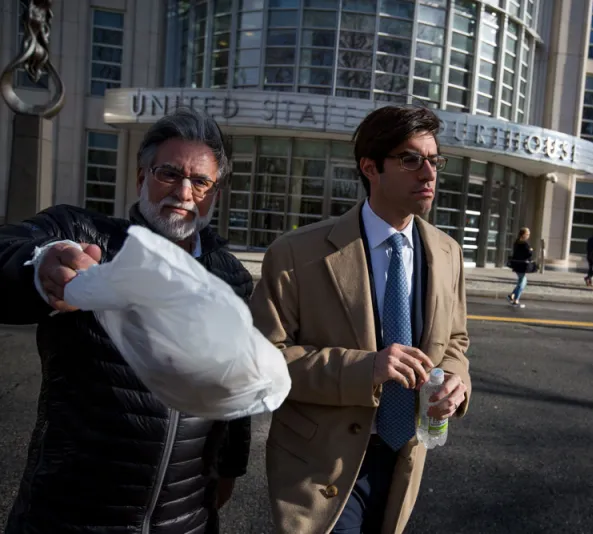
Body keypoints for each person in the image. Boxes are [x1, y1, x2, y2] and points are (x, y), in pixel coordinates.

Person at [0, 108, 252, 534]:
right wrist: (41, 265)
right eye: (169, 173)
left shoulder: (233, 279)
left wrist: (229, 469)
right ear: (141, 178)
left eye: (200, 181)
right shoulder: (86, 237)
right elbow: (10, 249)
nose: (184, 192)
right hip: (68, 519)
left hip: (185, 520)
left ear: (215, 194)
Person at [251, 105, 472, 534]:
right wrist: (364, 368)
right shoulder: (296, 254)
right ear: (370, 168)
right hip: (321, 464)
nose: (429, 173)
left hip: (405, 457)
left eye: (434, 160)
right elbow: (262, 361)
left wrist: (456, 382)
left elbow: (456, 341)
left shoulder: (448, 252)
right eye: (411, 159)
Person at [506, 227, 534, 308]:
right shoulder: (524, 244)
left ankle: (512, 296)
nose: (528, 235)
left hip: (517, 264)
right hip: (522, 265)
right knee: (522, 282)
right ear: (523, 234)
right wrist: (531, 250)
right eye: (527, 234)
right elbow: (528, 254)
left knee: (522, 281)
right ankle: (515, 300)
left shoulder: (517, 242)